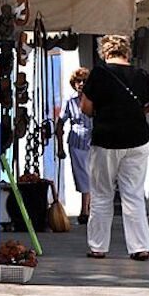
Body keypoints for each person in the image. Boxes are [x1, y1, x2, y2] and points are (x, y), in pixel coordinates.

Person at [81, 35, 149, 261]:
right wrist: (146, 109)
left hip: (106, 140)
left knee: (102, 194)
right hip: (137, 139)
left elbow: (86, 108)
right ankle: (139, 247)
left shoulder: (99, 74)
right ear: (126, 52)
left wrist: (103, 112)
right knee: (133, 194)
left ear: (105, 52)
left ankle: (98, 247)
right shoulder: (141, 74)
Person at [56, 67, 93, 225]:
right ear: (74, 83)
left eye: (84, 81)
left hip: (94, 141)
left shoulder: (94, 100)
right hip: (77, 143)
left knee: (95, 176)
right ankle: (85, 210)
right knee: (82, 176)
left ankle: (90, 209)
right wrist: (60, 147)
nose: (81, 84)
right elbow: (60, 124)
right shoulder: (70, 101)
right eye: (78, 81)